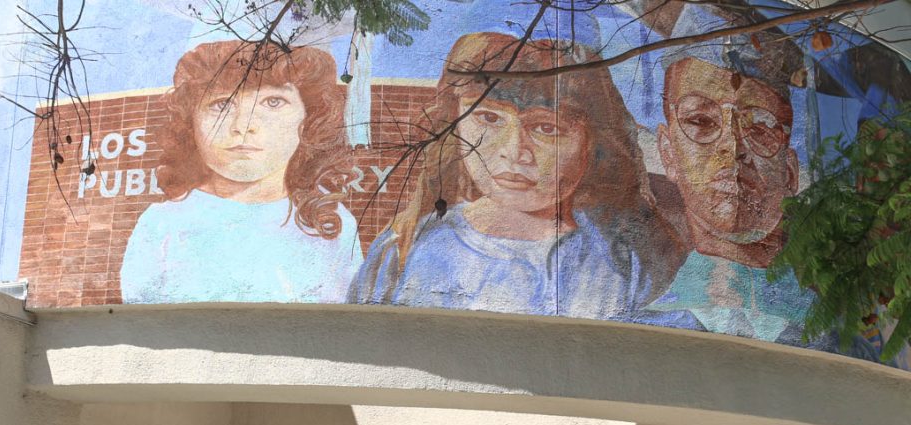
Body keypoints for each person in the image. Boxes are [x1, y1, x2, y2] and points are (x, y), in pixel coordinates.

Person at [350, 30, 679, 318]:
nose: (514, 151)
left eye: (546, 127)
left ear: (593, 144)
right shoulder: (408, 246)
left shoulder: (627, 260)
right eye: (489, 119)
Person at [120, 39, 360, 303]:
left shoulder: (329, 221)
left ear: (310, 117)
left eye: (273, 102)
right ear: (191, 123)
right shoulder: (162, 224)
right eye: (222, 104)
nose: (243, 125)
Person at [641, 6, 814, 346]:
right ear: (668, 153)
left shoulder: (830, 329)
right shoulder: (651, 324)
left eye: (760, 126)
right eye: (701, 123)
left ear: (791, 171)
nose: (732, 148)